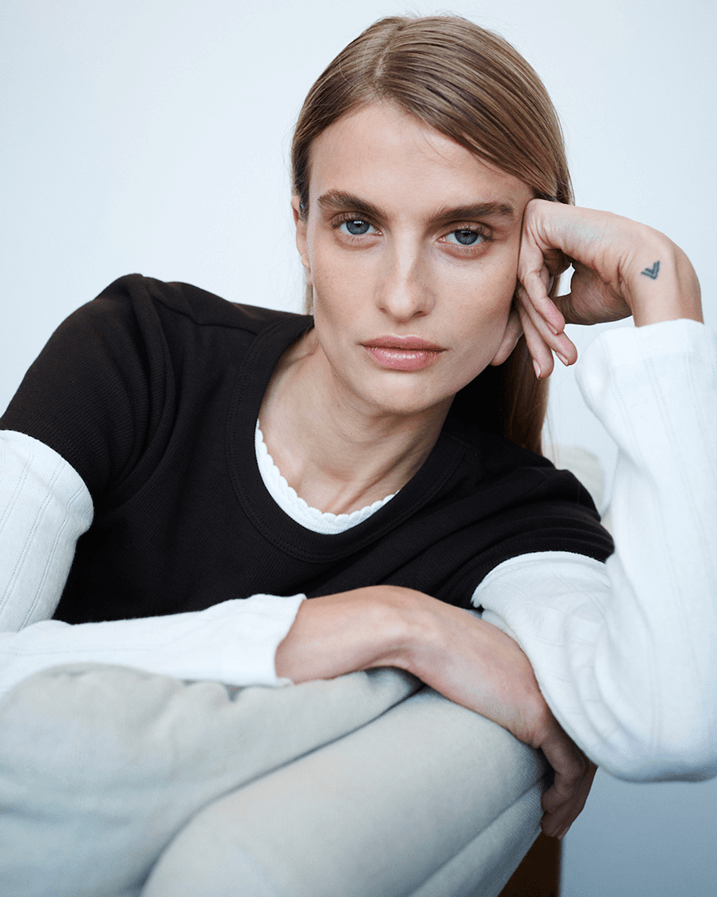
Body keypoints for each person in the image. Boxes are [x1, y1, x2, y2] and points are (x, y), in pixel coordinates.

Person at [0, 13, 715, 897]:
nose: (403, 294)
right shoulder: (137, 351)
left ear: (534, 265)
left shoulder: (519, 515)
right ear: (300, 228)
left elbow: (676, 728)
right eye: (356, 225)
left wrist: (665, 309)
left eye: (465, 235)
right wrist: (385, 623)